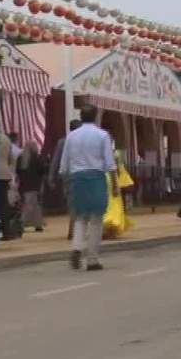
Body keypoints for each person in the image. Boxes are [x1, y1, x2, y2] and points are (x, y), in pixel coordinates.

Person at [59, 106, 116, 271]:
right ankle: (92, 259)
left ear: (81, 116)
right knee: (96, 220)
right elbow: (110, 163)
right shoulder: (102, 135)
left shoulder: (71, 136)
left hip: (77, 179)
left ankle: (77, 247)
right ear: (95, 117)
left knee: (80, 218)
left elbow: (64, 166)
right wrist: (115, 184)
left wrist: (66, 185)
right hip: (96, 178)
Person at [49, 119, 82, 241]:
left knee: (72, 202)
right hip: (82, 174)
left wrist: (51, 176)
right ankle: (77, 229)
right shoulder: (84, 141)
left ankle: (73, 229)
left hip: (67, 176)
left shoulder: (62, 141)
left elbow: (56, 160)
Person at [17, 137, 48, 232]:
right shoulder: (37, 158)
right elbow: (43, 170)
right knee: (34, 205)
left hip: (24, 185)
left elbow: (17, 171)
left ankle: (29, 223)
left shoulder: (21, 158)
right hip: (35, 184)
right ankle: (26, 223)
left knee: (28, 204)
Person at [105, 149, 135, 238]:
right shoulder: (114, 153)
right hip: (110, 179)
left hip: (99, 179)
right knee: (114, 204)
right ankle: (112, 229)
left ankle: (108, 228)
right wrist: (117, 184)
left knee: (108, 205)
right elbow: (117, 169)